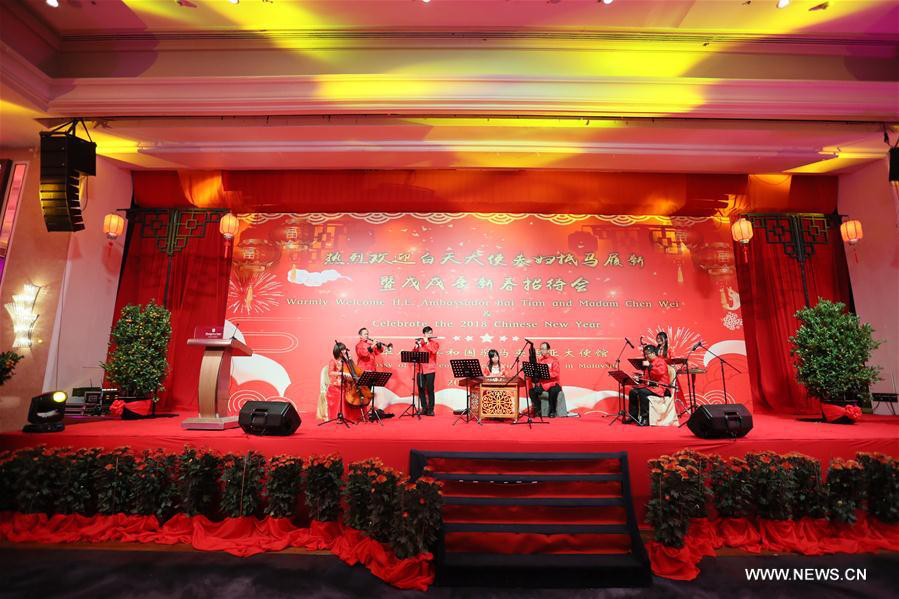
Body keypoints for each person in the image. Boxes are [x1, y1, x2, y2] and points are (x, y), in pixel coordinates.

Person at [628, 344, 671, 426]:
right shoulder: (649, 363)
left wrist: (650, 366)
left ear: (654, 353)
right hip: (651, 387)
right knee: (633, 392)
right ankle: (633, 416)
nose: (646, 356)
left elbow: (660, 372)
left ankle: (645, 418)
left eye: (648, 353)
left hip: (661, 388)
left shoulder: (660, 361)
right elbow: (647, 378)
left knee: (642, 392)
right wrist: (639, 378)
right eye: (645, 354)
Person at [528, 342, 562, 418]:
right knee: (532, 391)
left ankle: (552, 411)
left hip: (553, 383)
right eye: (541, 349)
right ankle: (538, 410)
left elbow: (556, 373)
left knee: (553, 390)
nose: (542, 351)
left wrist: (546, 374)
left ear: (548, 350)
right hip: (543, 384)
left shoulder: (554, 360)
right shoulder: (540, 361)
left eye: (543, 349)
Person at [326, 342, 355, 420]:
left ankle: (349, 415)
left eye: (345, 349)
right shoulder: (333, 361)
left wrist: (350, 361)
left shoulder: (346, 360)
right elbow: (330, 373)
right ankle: (339, 415)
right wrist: (341, 373)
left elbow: (352, 370)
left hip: (346, 384)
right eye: (342, 350)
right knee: (341, 393)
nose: (344, 351)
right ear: (337, 351)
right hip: (337, 386)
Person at [414, 326, 439, 416]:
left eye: (431, 333)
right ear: (424, 334)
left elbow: (433, 351)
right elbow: (414, 353)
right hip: (420, 369)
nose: (430, 334)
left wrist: (427, 342)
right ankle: (424, 408)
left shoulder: (434, 343)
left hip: (430, 369)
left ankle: (431, 409)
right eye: (428, 333)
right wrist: (417, 346)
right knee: (421, 389)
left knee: (430, 389)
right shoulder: (420, 342)